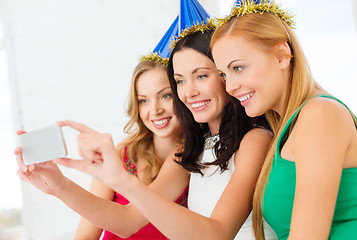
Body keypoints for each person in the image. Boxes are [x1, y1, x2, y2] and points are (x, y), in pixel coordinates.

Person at [47, 21, 277, 239]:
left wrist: (123, 181)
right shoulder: (189, 151)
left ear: (224, 76)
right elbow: (128, 221)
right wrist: (59, 185)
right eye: (180, 81)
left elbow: (217, 234)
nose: (189, 92)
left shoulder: (254, 140)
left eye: (201, 76)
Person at [210, 0, 357, 239]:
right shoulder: (288, 128)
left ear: (281, 56)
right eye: (224, 75)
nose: (231, 87)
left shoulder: (319, 114)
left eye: (238, 68)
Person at [16, 59, 188, 240]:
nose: (155, 110)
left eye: (166, 96)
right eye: (143, 100)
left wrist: (60, 186)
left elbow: (129, 221)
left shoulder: (190, 159)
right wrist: (57, 186)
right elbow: (86, 235)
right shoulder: (120, 155)